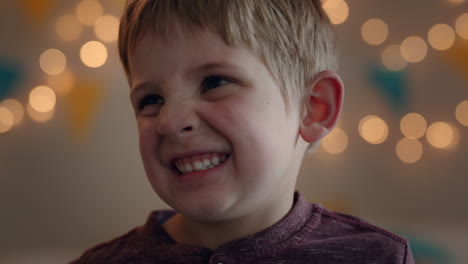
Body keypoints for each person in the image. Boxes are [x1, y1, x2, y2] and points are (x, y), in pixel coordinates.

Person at [71, 0, 415, 263]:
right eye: (151, 99)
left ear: (313, 108)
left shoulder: (376, 257)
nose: (170, 120)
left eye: (215, 82)